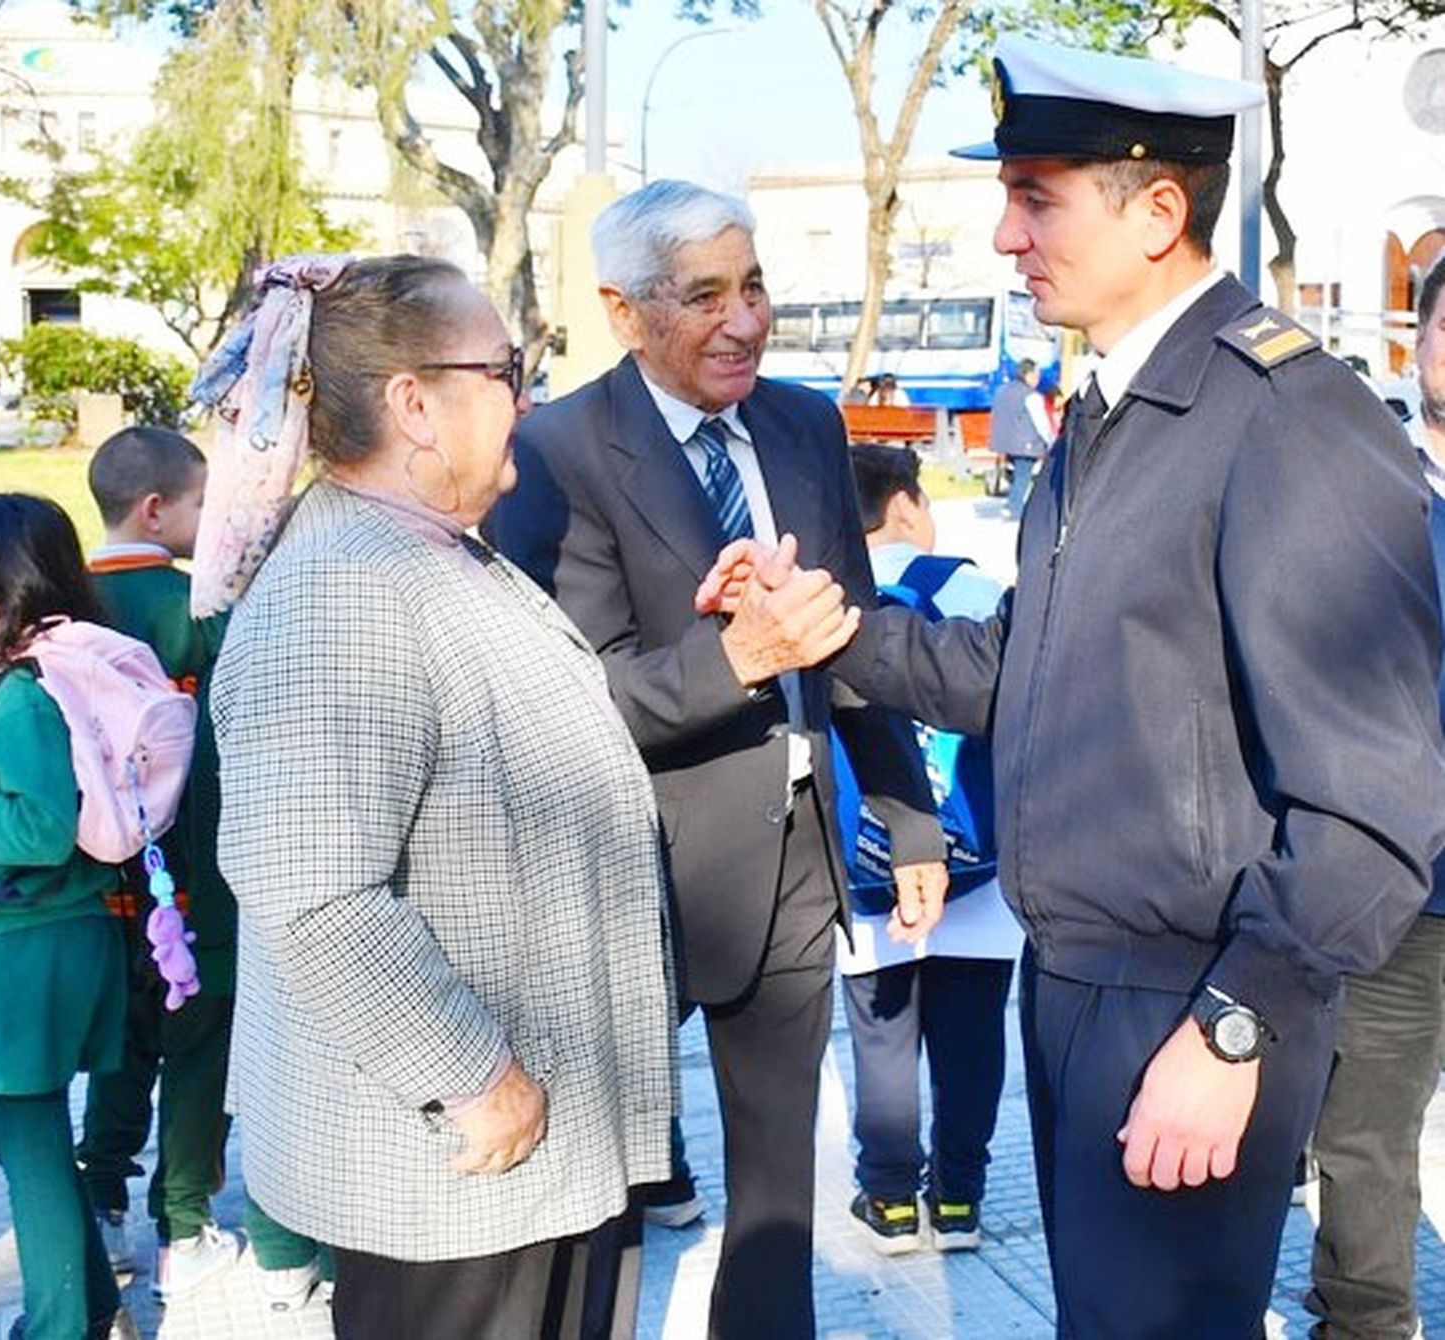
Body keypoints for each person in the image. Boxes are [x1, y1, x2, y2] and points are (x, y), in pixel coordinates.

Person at [700, 36, 1445, 1337]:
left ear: (1160, 210)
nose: (1002, 234)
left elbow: (1375, 802)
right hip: (1083, 985)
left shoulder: (1288, 420)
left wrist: (1234, 1029)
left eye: (1036, 196)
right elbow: (1020, 670)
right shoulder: (1112, 410)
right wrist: (826, 633)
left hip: (1190, 999)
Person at [483, 179, 947, 1338]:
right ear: (624, 309)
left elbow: (848, 628)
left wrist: (908, 805)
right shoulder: (552, 451)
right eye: (705, 297)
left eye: (754, 286)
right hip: (620, 879)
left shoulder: (802, 424)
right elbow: (555, 701)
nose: (745, 320)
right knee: (598, 1196)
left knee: (777, 1194)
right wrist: (735, 656)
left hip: (793, 864)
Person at [200, 254, 676, 1340]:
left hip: (521, 1164)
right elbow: (315, 893)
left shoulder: (432, 554)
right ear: (416, 402)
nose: (528, 394)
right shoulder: (342, 592)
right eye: (509, 367)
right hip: (456, 1173)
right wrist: (473, 1075)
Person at [0, 493, 127, 1340]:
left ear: (6, 590)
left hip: (29, 944)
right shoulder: (8, 685)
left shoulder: (18, 697)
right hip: (46, 939)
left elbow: (41, 828)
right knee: (10, 1128)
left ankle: (63, 1326)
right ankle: (89, 1306)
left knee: (28, 1135)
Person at [1306, 256, 1445, 1340]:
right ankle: (1365, 1322)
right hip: (1405, 892)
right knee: (1365, 1139)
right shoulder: (1369, 492)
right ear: (1421, 344)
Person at [839, 444, 1021, 1257]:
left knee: (882, 1035)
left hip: (870, 861)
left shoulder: (832, 603)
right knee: (972, 1033)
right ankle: (959, 1199)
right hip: (978, 860)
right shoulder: (976, 589)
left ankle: (887, 1201)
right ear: (908, 504)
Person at [77, 426, 242, 1301]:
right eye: (199, 503)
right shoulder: (199, 610)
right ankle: (185, 1220)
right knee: (198, 1037)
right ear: (155, 509)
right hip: (196, 871)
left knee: (121, 1039)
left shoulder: (62, 611)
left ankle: (100, 1197)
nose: (207, 519)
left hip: (104, 877)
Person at [990, 358, 1050, 520]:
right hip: (1026, 442)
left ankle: (1011, 504)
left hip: (1004, 441)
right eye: (1037, 375)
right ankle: (1014, 508)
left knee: (1016, 475)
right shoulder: (1031, 396)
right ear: (1028, 375)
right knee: (1023, 476)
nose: (1038, 380)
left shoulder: (1002, 391)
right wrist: (1050, 440)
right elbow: (1041, 422)